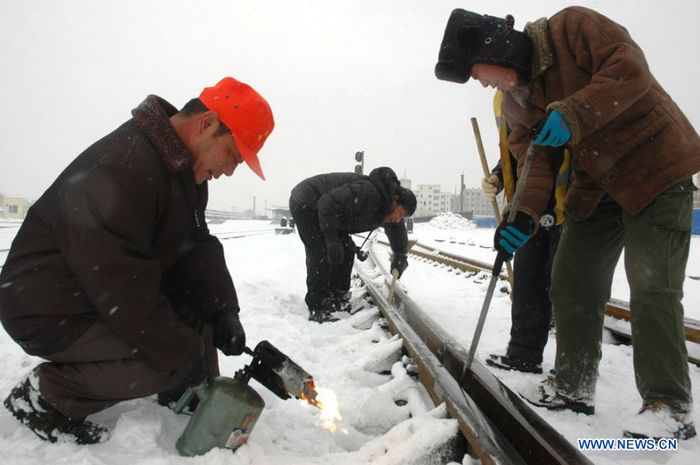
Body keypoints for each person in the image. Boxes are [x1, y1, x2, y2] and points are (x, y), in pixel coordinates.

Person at [436, 7, 700, 439]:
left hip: (657, 169)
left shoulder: (572, 29)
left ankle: (668, 405)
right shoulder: (519, 103)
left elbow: (629, 69)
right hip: (597, 185)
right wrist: (521, 216)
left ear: (495, 48)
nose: (483, 83)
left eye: (478, 73)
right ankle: (573, 384)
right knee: (571, 278)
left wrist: (575, 111)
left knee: (651, 287)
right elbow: (536, 162)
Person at [0, 76, 274, 444]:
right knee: (164, 358)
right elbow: (122, 288)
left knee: (196, 323)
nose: (229, 171)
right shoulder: (125, 166)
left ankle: (187, 389)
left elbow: (195, 246)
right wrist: (178, 357)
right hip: (47, 306)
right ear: (207, 124)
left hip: (93, 290)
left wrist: (223, 311)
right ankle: (46, 396)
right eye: (232, 156)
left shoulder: (184, 172)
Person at [482, 94, 566, 373]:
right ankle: (523, 355)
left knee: (567, 291)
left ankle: (570, 372)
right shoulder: (501, 96)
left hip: (568, 203)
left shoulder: (545, 82)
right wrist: (498, 175)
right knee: (527, 284)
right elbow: (517, 149)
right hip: (529, 209)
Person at [289, 167, 416, 323]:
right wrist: (331, 238)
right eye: (401, 214)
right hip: (307, 203)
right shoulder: (368, 193)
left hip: (329, 213)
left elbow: (397, 230)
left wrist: (401, 256)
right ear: (395, 200)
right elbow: (327, 203)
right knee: (320, 251)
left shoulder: (387, 207)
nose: (399, 219)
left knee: (346, 251)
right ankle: (318, 306)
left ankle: (338, 296)